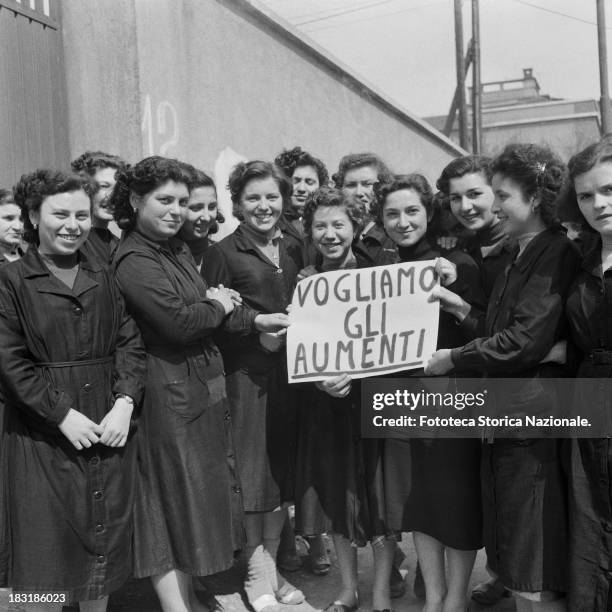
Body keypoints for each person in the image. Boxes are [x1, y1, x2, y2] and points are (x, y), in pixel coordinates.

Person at [112, 156, 288, 612]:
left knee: (187, 506)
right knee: (167, 508)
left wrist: (219, 305)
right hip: (166, 398)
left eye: (182, 202)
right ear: (135, 200)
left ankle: (188, 601)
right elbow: (179, 323)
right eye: (164, 201)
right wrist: (218, 306)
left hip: (192, 392)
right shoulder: (134, 258)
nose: (176, 211)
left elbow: (205, 308)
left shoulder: (172, 250)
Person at [426, 143, 580, 612]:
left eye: (502, 195)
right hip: (508, 417)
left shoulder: (552, 251)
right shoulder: (521, 251)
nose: (492, 206)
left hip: (531, 420)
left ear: (535, 198)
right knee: (517, 558)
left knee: (535, 562)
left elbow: (522, 342)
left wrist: (453, 357)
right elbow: (503, 333)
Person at [0, 169, 146, 611]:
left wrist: (124, 402)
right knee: (42, 557)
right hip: (39, 438)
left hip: (105, 427)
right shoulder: (10, 281)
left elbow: (130, 343)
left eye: (81, 214)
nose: (73, 224)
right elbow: (8, 361)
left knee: (99, 552)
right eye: (60, 213)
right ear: (33, 215)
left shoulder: (103, 274)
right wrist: (61, 413)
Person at [372, 174, 485, 612]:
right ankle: (433, 595)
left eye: (412, 211)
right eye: (392, 214)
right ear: (381, 221)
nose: (403, 222)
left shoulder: (459, 262)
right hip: (401, 399)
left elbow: (483, 329)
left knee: (454, 499)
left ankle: (455, 597)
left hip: (452, 397)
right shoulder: (379, 272)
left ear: (428, 212)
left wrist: (453, 291)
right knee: (419, 502)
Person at [204, 160, 302, 612]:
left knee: (281, 476)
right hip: (247, 378)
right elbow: (214, 317)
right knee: (251, 477)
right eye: (253, 198)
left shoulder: (300, 244)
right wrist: (254, 329)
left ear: (283, 199)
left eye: (271, 197)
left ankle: (272, 566)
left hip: (296, 377)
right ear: (238, 204)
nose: (264, 206)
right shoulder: (223, 252)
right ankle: (256, 569)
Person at [293, 185, 395, 612]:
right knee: (338, 498)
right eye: (320, 226)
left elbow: (395, 339)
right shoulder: (304, 280)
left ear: (355, 227)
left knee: (380, 500)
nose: (330, 234)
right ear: (309, 230)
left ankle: (381, 592)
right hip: (327, 407)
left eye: (339, 224)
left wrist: (358, 373)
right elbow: (300, 346)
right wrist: (319, 379)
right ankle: (348, 589)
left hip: (371, 401)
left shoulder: (381, 271)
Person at [560, 137, 612, 611]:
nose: (599, 203)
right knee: (593, 520)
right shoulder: (585, 261)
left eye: (609, 190)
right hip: (588, 401)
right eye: (586, 195)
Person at [274, 146, 331, 574]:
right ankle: (287, 540)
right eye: (294, 181)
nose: (301, 188)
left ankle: (319, 540)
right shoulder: (272, 232)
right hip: (280, 352)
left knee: (318, 453)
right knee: (286, 454)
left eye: (310, 181)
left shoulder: (323, 229)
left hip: (323, 351)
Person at [332, 152, 396, 265]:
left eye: (367, 184)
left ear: (382, 187)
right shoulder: (330, 236)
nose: (358, 193)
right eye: (351, 185)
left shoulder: (396, 234)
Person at [71, 151, 127, 265]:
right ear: (84, 187)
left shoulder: (118, 243)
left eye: (117, 188)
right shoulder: (72, 242)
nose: (112, 195)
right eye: (104, 186)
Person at [176, 164, 225, 272]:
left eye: (212, 207)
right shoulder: (163, 257)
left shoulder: (223, 254)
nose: (207, 217)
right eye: (196, 208)